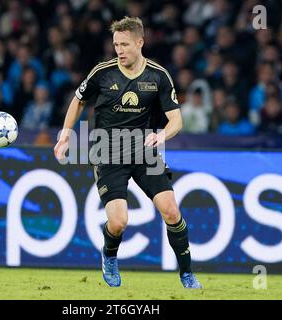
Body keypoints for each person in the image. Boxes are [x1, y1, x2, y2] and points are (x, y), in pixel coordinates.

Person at [54, 17, 202, 289]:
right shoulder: (103, 72)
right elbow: (78, 100)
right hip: (107, 152)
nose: (119, 50)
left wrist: (161, 135)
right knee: (119, 221)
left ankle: (187, 273)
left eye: (124, 44)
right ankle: (109, 256)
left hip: (144, 151)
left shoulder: (158, 75)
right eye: (115, 45)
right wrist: (65, 135)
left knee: (171, 211)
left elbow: (176, 121)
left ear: (140, 43)